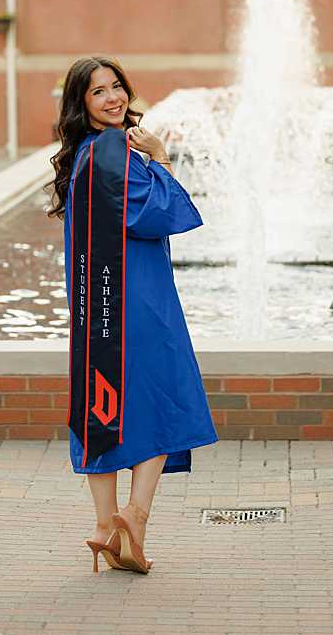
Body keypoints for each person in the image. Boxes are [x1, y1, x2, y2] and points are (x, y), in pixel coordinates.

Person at [47, 56, 216, 575]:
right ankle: (135, 519)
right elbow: (163, 214)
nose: (113, 98)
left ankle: (104, 527)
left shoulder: (84, 154)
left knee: (103, 404)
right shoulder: (118, 150)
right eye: (98, 92)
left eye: (116, 86)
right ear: (82, 104)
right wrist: (162, 157)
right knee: (163, 403)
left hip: (96, 305)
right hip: (138, 300)